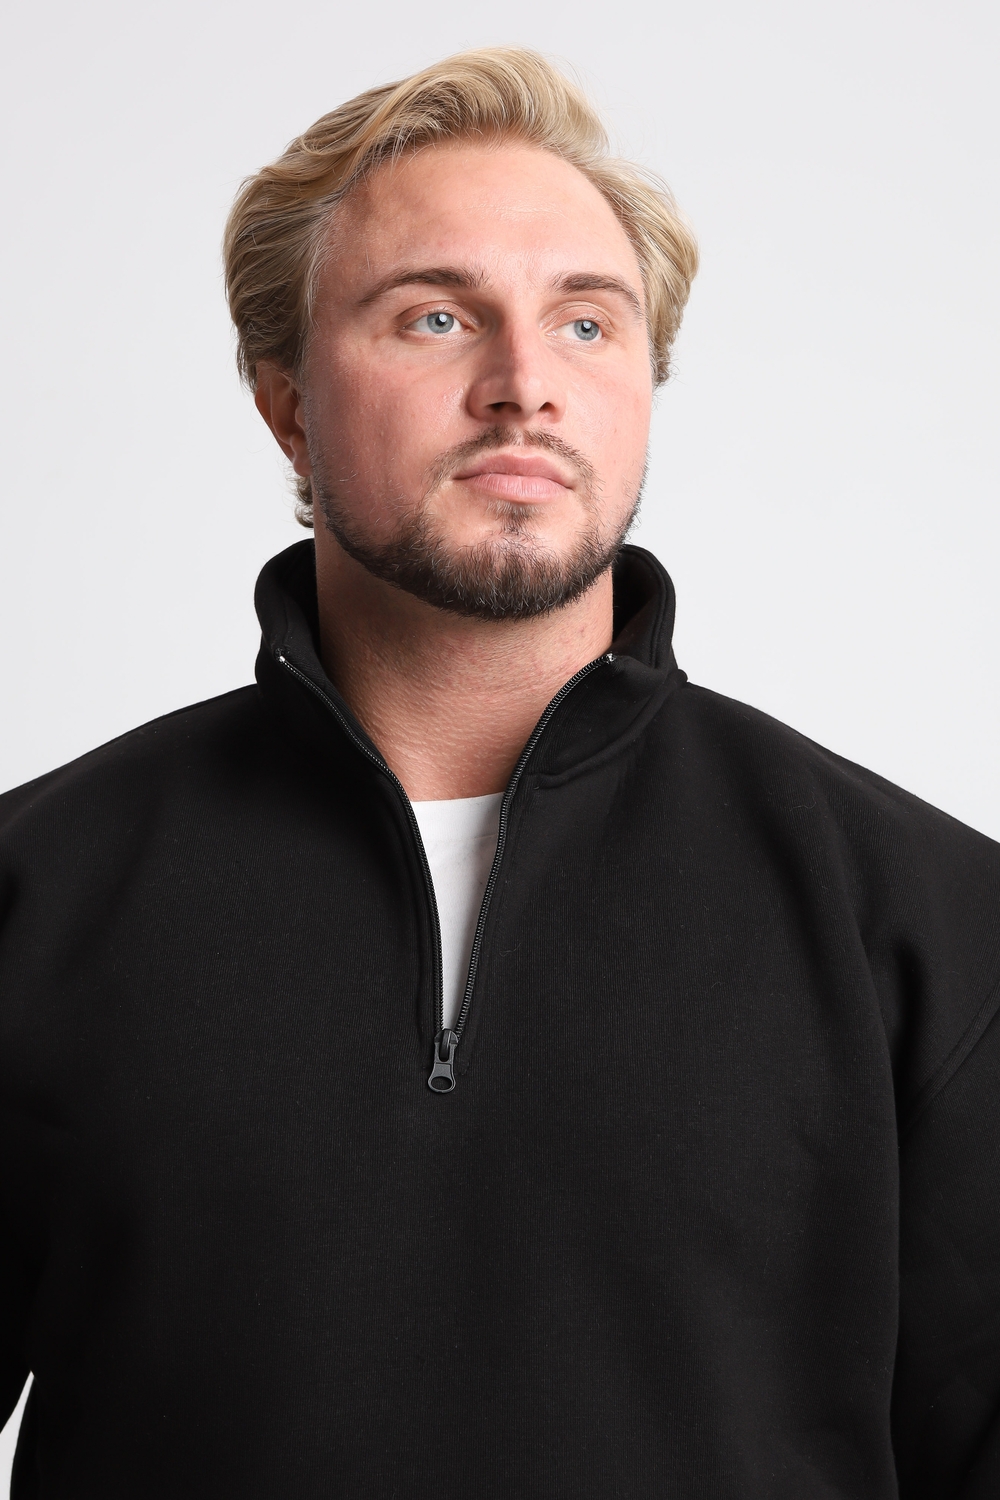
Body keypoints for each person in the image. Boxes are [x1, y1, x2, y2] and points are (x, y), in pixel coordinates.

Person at [1, 46, 998, 1500]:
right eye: (436, 316)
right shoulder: (37, 894)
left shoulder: (929, 922)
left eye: (587, 323)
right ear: (287, 404)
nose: (524, 386)